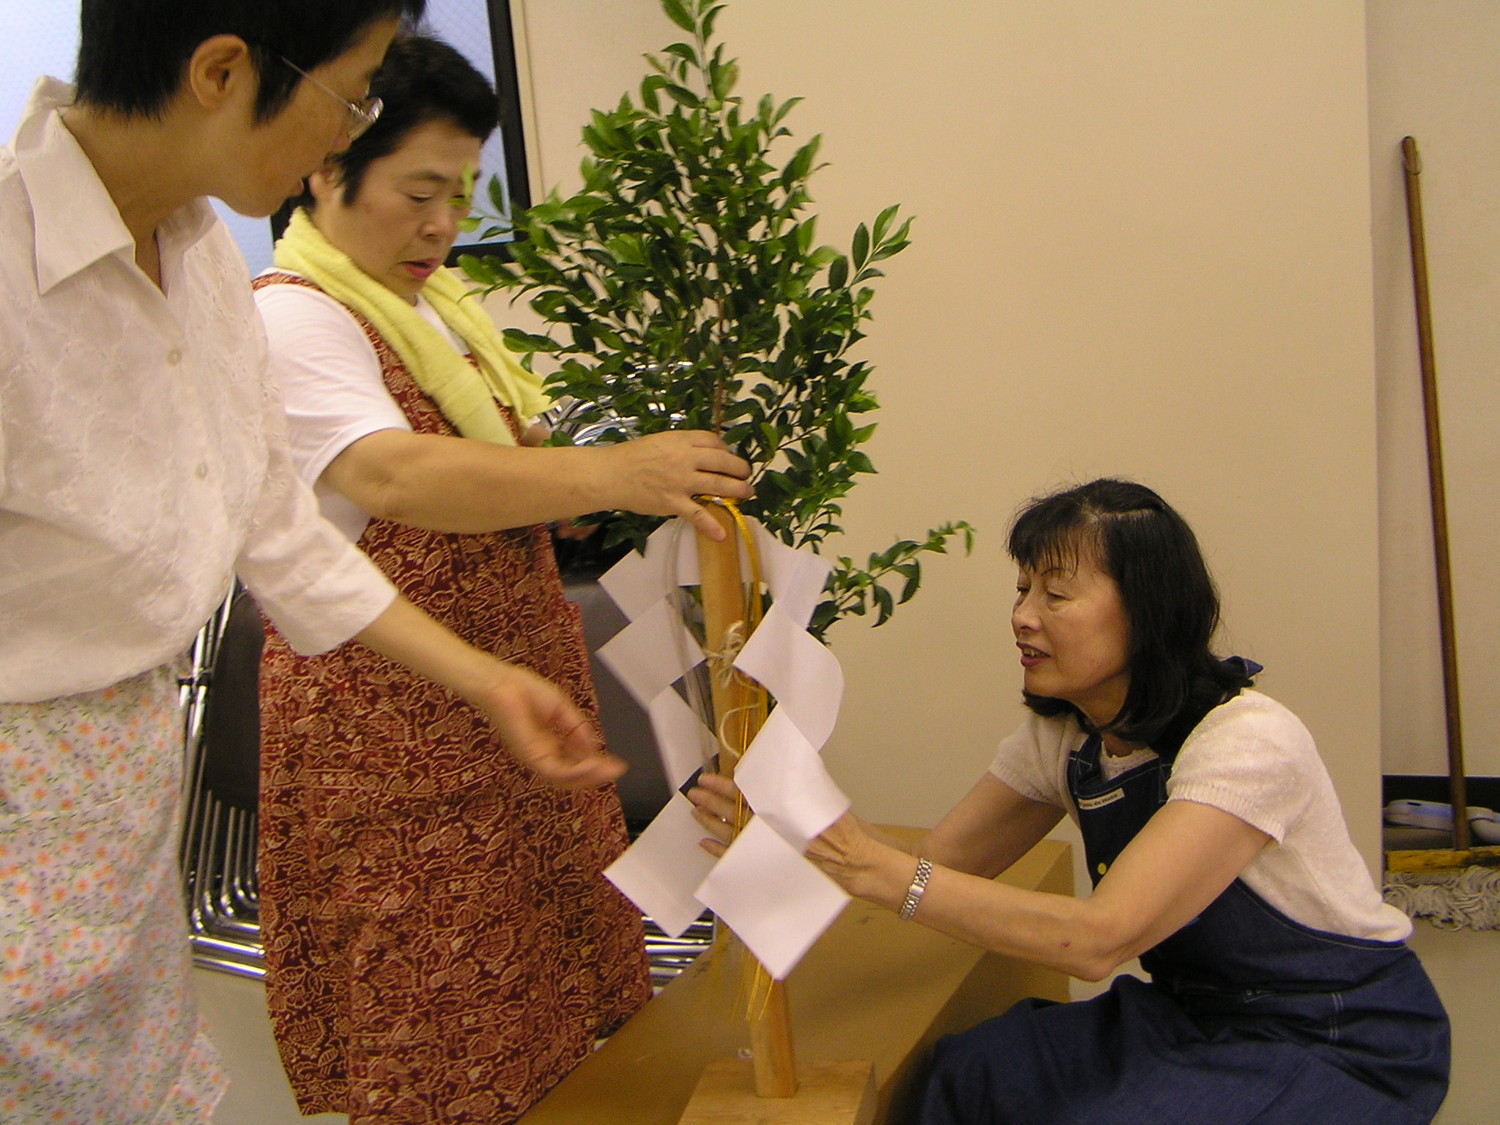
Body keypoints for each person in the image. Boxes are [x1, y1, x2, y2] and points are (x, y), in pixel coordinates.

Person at [0, 4, 628, 1122]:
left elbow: (275, 528)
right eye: (350, 93)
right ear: (221, 71)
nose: (350, 128)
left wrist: (488, 680)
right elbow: (383, 483)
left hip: (124, 785)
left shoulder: (196, 252)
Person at [250, 33, 753, 1123]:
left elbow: (496, 471)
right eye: (418, 192)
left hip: (511, 717)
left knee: (554, 1023)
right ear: (328, 168)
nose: (442, 225)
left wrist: (568, 482)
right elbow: (393, 473)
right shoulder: (292, 315)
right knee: (445, 1042)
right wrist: (614, 469)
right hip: (396, 745)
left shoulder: (430, 311)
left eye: (459, 195)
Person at [691, 478, 1450, 1125]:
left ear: (1149, 613)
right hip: (1194, 1015)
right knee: (968, 1074)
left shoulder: (1248, 741)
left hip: (1338, 1037)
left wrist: (866, 864)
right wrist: (792, 833)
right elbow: (941, 862)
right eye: (1023, 589)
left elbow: (1096, 941)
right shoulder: (1065, 735)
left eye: (1056, 594)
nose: (1024, 615)